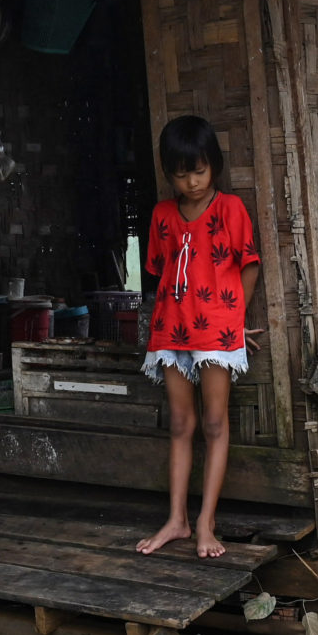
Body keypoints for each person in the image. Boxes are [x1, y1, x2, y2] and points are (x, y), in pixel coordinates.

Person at [136, 115, 261, 558]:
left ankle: (206, 524)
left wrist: (236, 318)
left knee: (214, 424)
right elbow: (157, 270)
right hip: (171, 327)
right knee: (181, 424)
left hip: (218, 330)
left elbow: (249, 263)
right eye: (181, 172)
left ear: (215, 166)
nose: (192, 181)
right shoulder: (162, 215)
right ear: (169, 173)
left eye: (200, 170)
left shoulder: (230, 210)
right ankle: (178, 520)